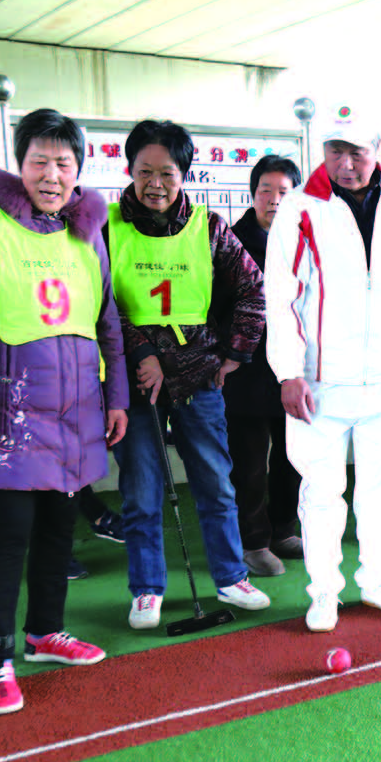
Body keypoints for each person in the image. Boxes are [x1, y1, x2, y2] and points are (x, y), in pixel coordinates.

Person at [0, 108, 129, 715]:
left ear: (79, 170)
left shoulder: (87, 230)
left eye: (63, 163)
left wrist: (117, 396)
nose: (52, 174)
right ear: (19, 165)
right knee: (7, 535)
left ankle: (45, 632)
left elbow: (107, 320)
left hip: (77, 411)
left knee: (57, 526)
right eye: (39, 161)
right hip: (10, 411)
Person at [265, 105, 381, 632]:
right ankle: (324, 592)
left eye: (356, 152)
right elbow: (280, 297)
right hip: (319, 383)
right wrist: (289, 372)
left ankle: (378, 582)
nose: (345, 163)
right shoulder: (299, 208)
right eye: (334, 150)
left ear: (376, 149)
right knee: (321, 494)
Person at [107, 119, 270, 630]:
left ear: (185, 175)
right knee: (141, 489)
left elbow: (253, 290)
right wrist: (141, 352)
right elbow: (99, 302)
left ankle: (231, 576)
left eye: (167, 173)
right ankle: (147, 588)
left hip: (199, 376)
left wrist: (236, 353)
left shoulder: (210, 227)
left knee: (216, 482)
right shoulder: (105, 228)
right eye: (145, 172)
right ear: (130, 170)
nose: (155, 184)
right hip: (134, 380)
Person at [225, 154, 304, 576]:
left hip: (294, 370)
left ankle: (283, 530)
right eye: (265, 191)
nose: (274, 199)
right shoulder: (230, 243)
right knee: (250, 465)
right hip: (246, 372)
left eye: (284, 192)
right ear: (253, 194)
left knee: (293, 458)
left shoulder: (307, 243)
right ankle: (252, 542)